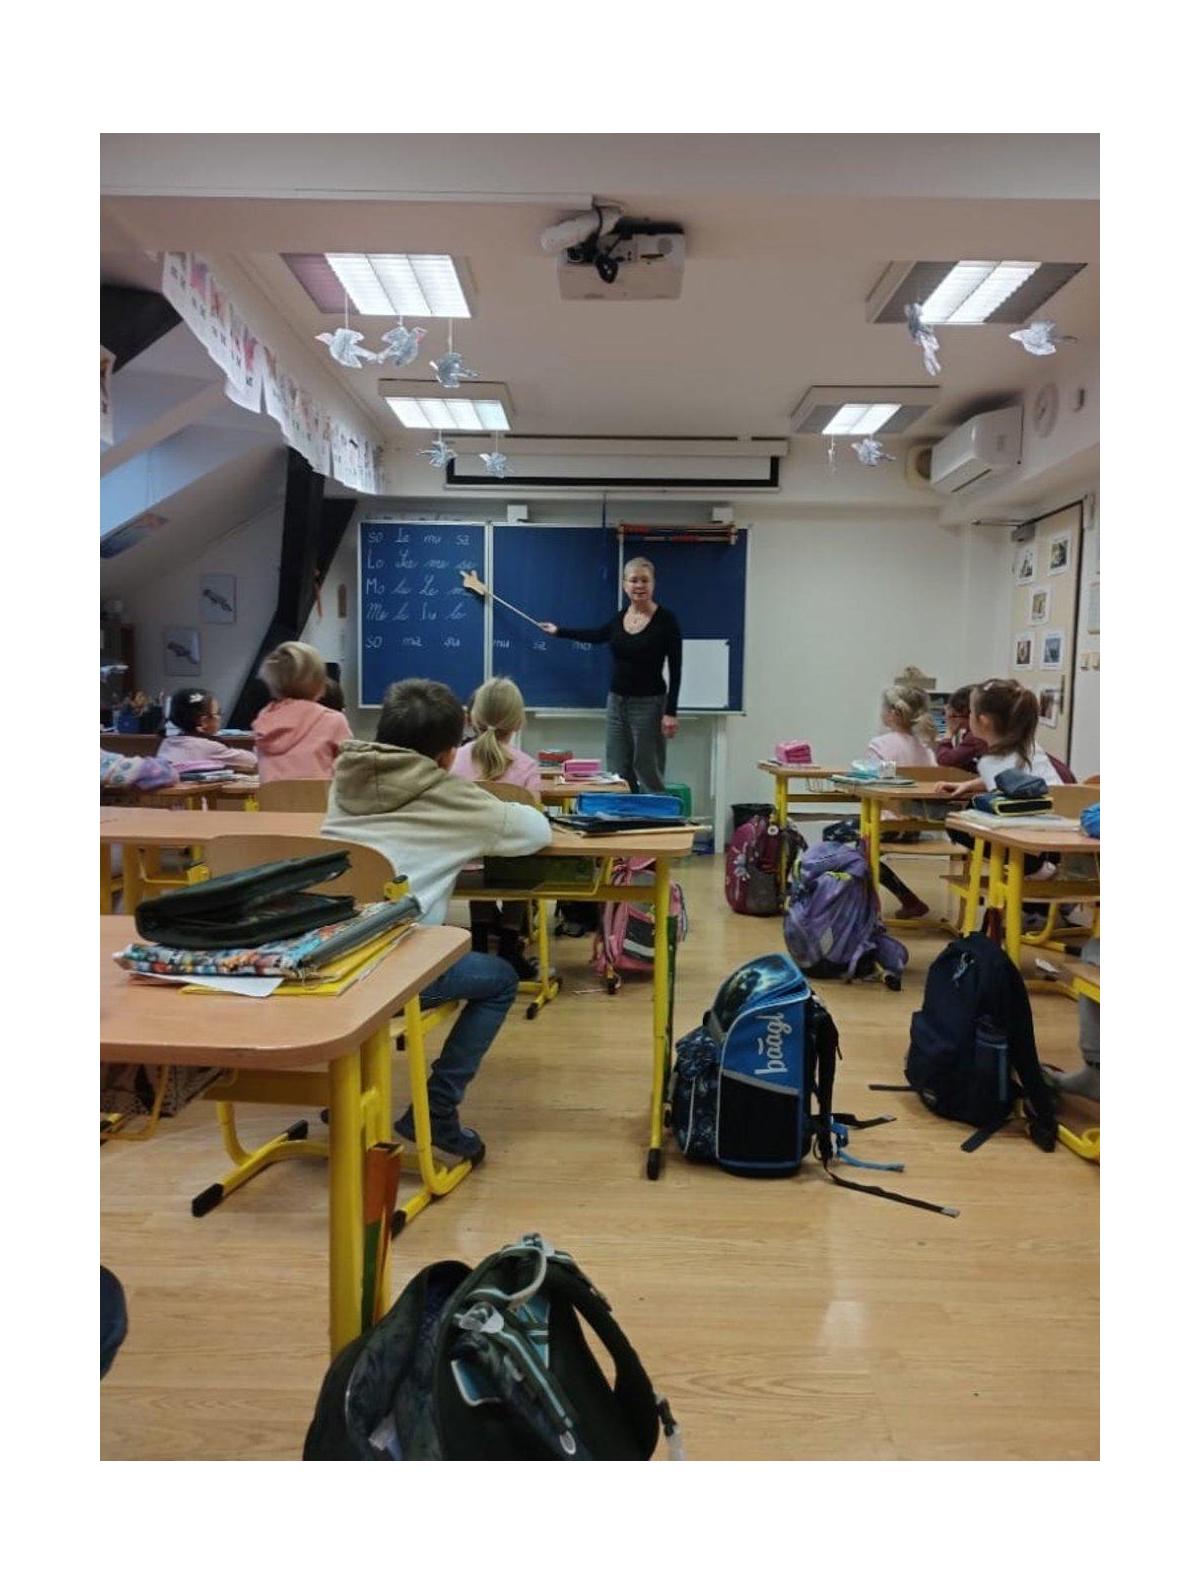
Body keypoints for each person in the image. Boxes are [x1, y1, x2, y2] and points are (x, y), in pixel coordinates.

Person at [322, 677, 552, 1163]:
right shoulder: (450, 796)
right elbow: (536, 831)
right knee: (500, 979)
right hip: (395, 973)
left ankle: (348, 1094)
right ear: (449, 755)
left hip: (325, 958)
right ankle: (438, 1109)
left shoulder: (345, 779)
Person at [538, 556, 682, 793]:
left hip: (649, 704)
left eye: (644, 580)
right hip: (616, 703)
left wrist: (671, 712)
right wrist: (559, 632)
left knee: (647, 767)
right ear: (625, 585)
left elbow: (676, 668)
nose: (639, 585)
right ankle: (625, 813)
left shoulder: (666, 621)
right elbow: (597, 635)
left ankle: (656, 813)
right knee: (617, 769)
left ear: (653, 584)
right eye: (633, 580)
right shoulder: (620, 618)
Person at [450, 676, 542, 977]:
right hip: (512, 867)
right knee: (521, 861)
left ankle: (478, 945)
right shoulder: (526, 766)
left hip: (459, 866)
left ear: (472, 717)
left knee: (480, 856)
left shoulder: (454, 760)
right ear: (518, 721)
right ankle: (508, 948)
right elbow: (535, 823)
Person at [936, 678, 1062, 882]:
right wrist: (968, 784)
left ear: (983, 721)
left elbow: (1006, 805)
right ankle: (1041, 866)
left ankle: (1035, 868)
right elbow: (1016, 780)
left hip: (1037, 833)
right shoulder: (1028, 747)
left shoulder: (991, 761)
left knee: (958, 823)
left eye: (971, 712)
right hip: (1060, 825)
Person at [862, 684, 937, 920]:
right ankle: (908, 899)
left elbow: (870, 787)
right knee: (861, 850)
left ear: (893, 713)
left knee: (841, 839)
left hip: (887, 826)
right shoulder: (926, 750)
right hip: (917, 826)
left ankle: (852, 904)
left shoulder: (879, 745)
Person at [252, 641, 353, 782]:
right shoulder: (333, 720)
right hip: (320, 796)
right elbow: (350, 772)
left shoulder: (264, 719)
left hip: (272, 797)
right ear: (318, 681)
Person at [157, 689, 257, 773]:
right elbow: (253, 761)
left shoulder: (167, 743)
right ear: (204, 721)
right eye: (218, 713)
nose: (220, 717)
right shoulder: (210, 747)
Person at [935, 685, 989, 772]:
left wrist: (949, 732)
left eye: (954, 716)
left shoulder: (975, 736)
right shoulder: (980, 731)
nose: (952, 720)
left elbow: (944, 760)